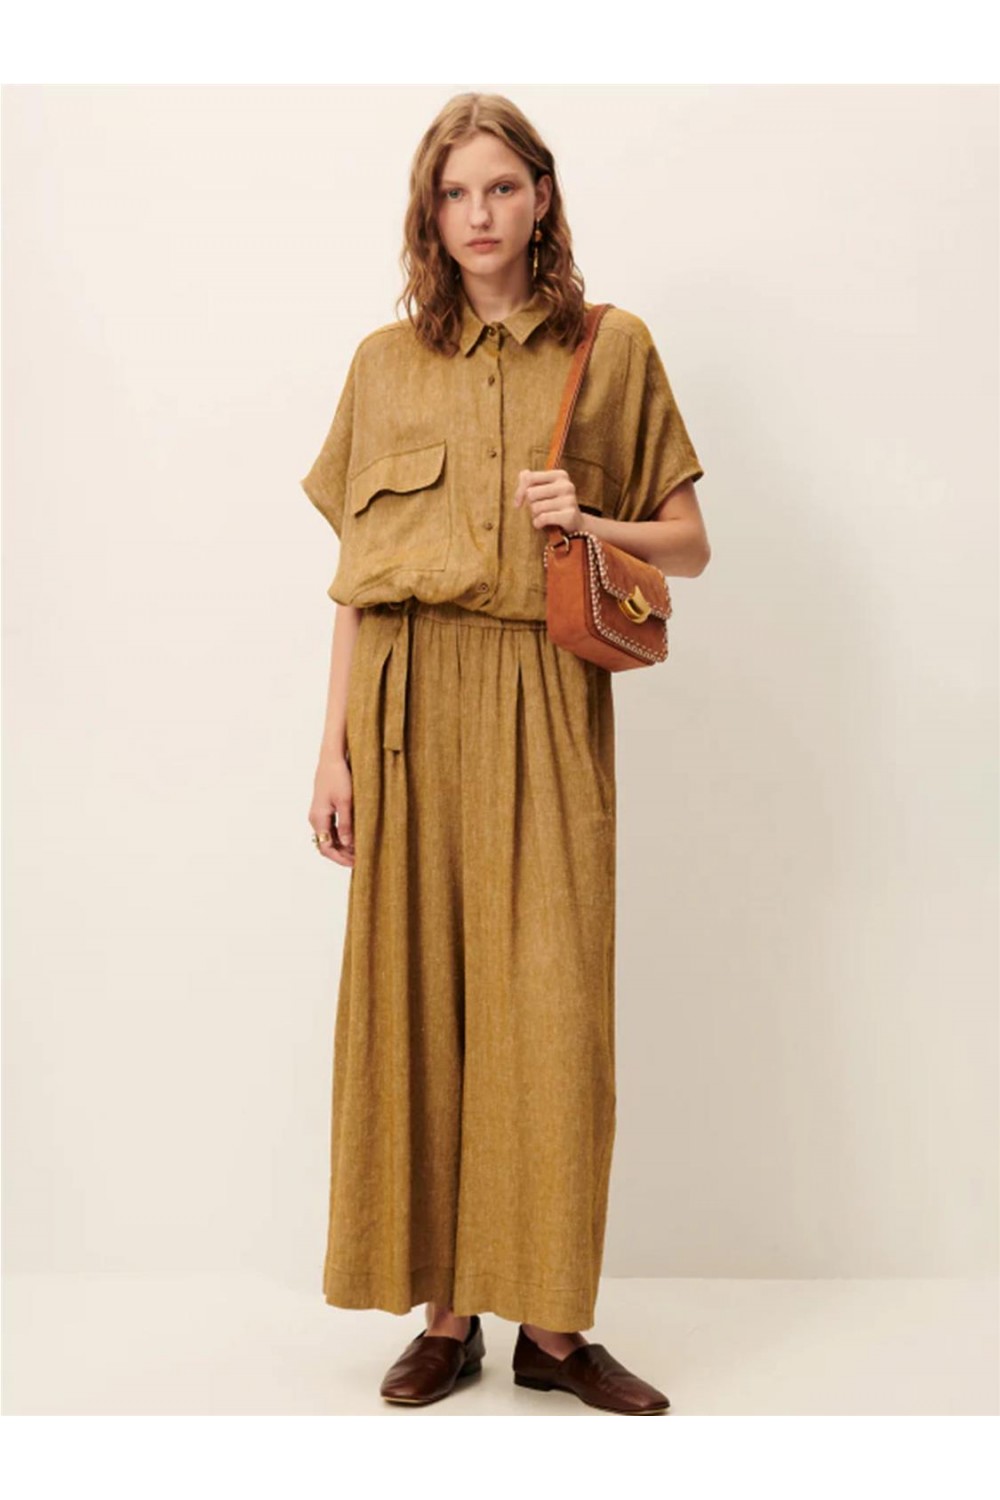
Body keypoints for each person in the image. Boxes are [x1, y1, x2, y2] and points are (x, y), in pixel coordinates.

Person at [300, 92, 711, 1416]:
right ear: (430, 214)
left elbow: (691, 546)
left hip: (544, 695)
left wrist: (588, 517)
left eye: (500, 187)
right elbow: (357, 584)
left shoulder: (610, 347)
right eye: (453, 193)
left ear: (542, 197)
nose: (477, 214)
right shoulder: (383, 364)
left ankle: (554, 1329)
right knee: (418, 1005)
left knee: (549, 1007)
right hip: (407, 706)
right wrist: (333, 752)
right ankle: (447, 1317)